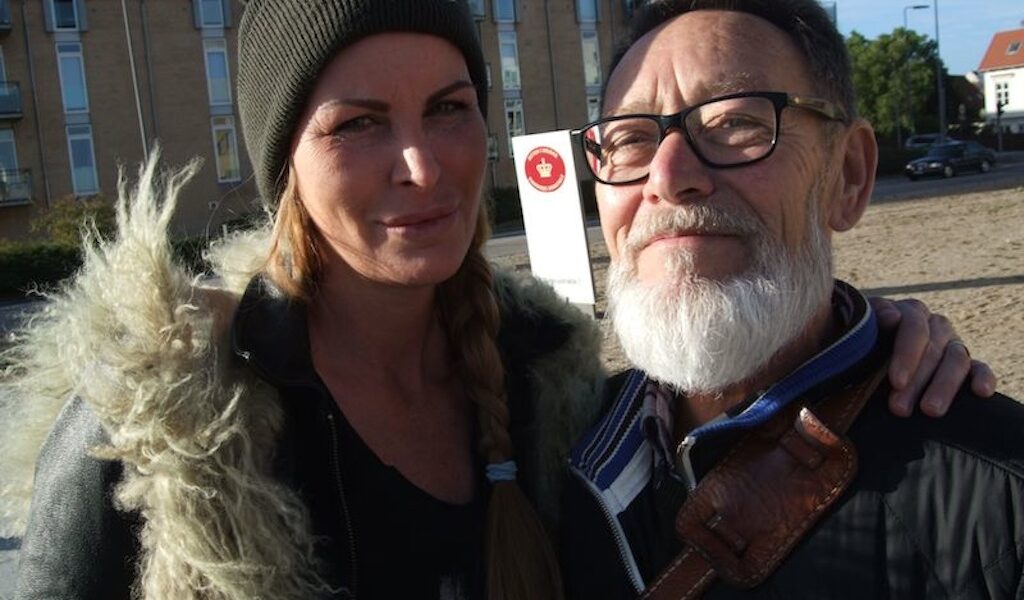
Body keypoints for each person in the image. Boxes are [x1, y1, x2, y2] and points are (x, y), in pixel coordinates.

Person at [0, 1, 995, 600]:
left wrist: (870, 349)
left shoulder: (551, 383)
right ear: (283, 166)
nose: (422, 165)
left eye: (449, 109)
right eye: (357, 124)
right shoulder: (161, 421)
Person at [560, 1, 1024, 599]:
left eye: (734, 122)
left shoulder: (1001, 503)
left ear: (848, 174)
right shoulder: (545, 457)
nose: (667, 177)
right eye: (628, 139)